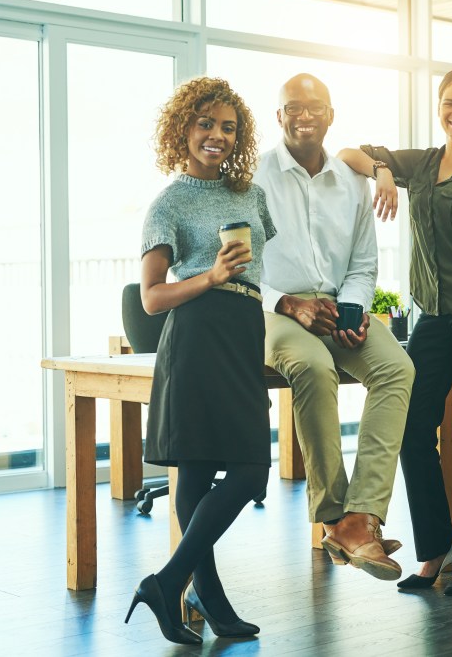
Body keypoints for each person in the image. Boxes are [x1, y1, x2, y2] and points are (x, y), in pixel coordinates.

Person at [339, 68, 452, 595]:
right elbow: (349, 152)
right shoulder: (423, 163)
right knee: (413, 428)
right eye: (449, 103)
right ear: (439, 107)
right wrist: (383, 172)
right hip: (432, 316)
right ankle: (435, 548)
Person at [125, 77, 275, 644]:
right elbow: (151, 297)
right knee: (228, 468)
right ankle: (188, 588)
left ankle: (184, 589)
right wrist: (210, 275)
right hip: (195, 333)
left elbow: (260, 271)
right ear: (183, 128)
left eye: (228, 127)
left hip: (242, 330)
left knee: (227, 468)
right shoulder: (168, 203)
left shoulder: (251, 195)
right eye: (205, 124)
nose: (216, 135)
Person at [255, 73, 414, 582]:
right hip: (272, 308)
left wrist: (352, 309)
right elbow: (240, 267)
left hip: (335, 305)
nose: (304, 115)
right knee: (311, 366)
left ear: (330, 115)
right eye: (293, 107)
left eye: (315, 106)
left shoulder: (352, 181)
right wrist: (289, 303)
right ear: (279, 116)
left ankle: (361, 515)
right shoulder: (253, 178)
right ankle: (332, 515)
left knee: (396, 368)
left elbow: (364, 262)